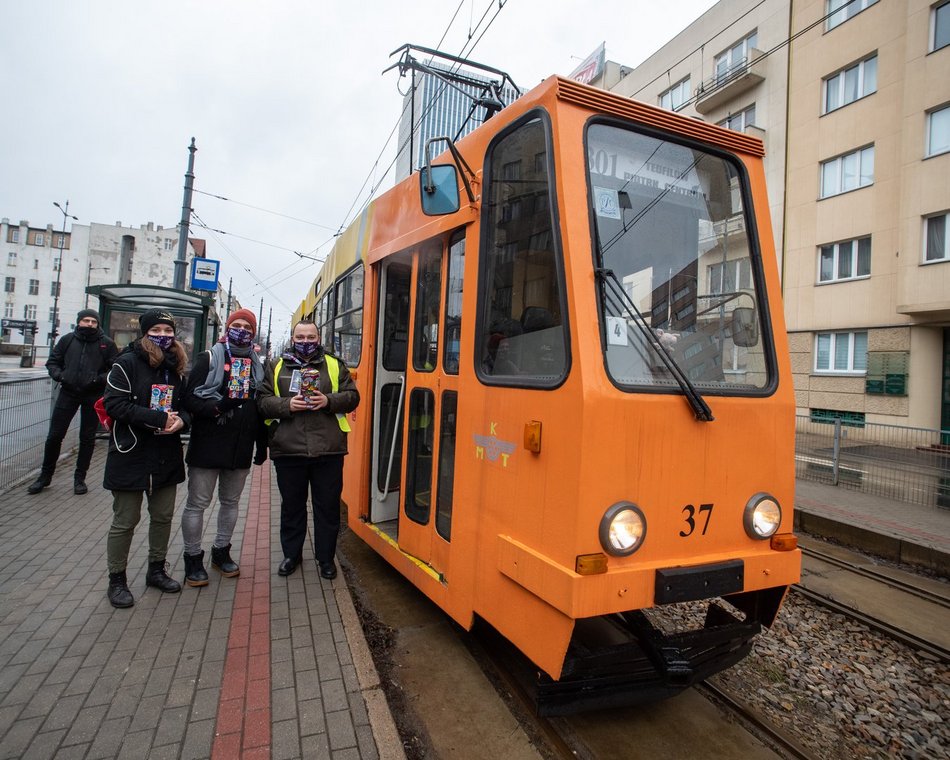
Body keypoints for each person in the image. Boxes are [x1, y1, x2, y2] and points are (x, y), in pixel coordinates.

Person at [102, 309, 190, 608]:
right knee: (126, 519)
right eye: (157, 330)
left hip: (165, 454)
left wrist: (182, 422)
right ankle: (117, 580)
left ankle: (156, 570)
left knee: (163, 516)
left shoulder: (176, 367)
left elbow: (186, 406)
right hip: (131, 452)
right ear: (145, 332)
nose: (164, 335)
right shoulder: (125, 364)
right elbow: (115, 405)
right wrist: (158, 418)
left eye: (168, 330)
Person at [257, 320, 359, 579]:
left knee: (327, 508)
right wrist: (288, 405)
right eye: (300, 336)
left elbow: (352, 396)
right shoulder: (276, 365)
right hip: (288, 450)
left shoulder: (334, 365)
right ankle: (291, 555)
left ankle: (326, 559)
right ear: (293, 338)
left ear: (318, 337)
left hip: (329, 450)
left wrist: (328, 401)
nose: (305, 341)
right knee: (292, 507)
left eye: (310, 336)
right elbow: (262, 401)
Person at [179, 308, 268, 587]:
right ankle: (193, 557)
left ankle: (221, 552)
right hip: (208, 444)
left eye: (247, 327)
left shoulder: (257, 365)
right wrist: (220, 405)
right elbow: (190, 401)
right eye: (237, 325)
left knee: (231, 503)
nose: (241, 330)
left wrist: (262, 444)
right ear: (228, 328)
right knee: (197, 504)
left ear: (253, 334)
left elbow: (260, 407)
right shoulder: (208, 358)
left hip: (240, 446)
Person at [28, 309, 118, 495]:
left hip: (92, 395)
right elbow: (53, 362)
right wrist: (60, 376)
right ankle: (45, 477)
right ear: (79, 322)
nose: (90, 324)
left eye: (93, 321)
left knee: (87, 438)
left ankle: (80, 479)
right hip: (68, 392)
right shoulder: (67, 340)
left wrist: (98, 379)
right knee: (54, 436)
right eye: (86, 320)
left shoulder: (106, 344)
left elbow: (114, 369)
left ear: (98, 323)